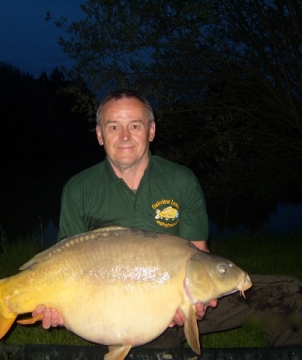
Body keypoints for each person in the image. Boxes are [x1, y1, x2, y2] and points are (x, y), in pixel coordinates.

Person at [33, 89, 302, 348]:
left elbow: (199, 254)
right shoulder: (79, 189)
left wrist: (197, 304)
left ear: (151, 131)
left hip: (175, 295)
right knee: (156, 344)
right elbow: (63, 265)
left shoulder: (181, 180)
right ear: (100, 135)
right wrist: (58, 308)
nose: (125, 136)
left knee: (288, 295)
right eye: (114, 127)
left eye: (135, 126)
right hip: (110, 309)